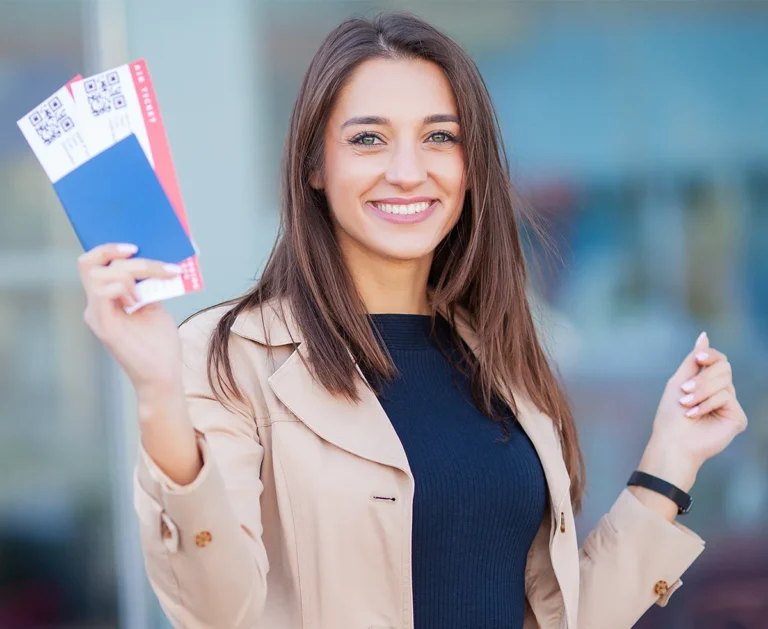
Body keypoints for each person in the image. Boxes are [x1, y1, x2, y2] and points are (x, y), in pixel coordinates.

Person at [76, 12, 748, 629]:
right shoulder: (231, 356)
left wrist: (671, 457)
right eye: (368, 138)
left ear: (469, 165)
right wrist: (159, 395)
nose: (407, 171)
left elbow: (559, 616)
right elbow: (217, 608)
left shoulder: (502, 357)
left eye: (439, 138)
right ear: (315, 164)